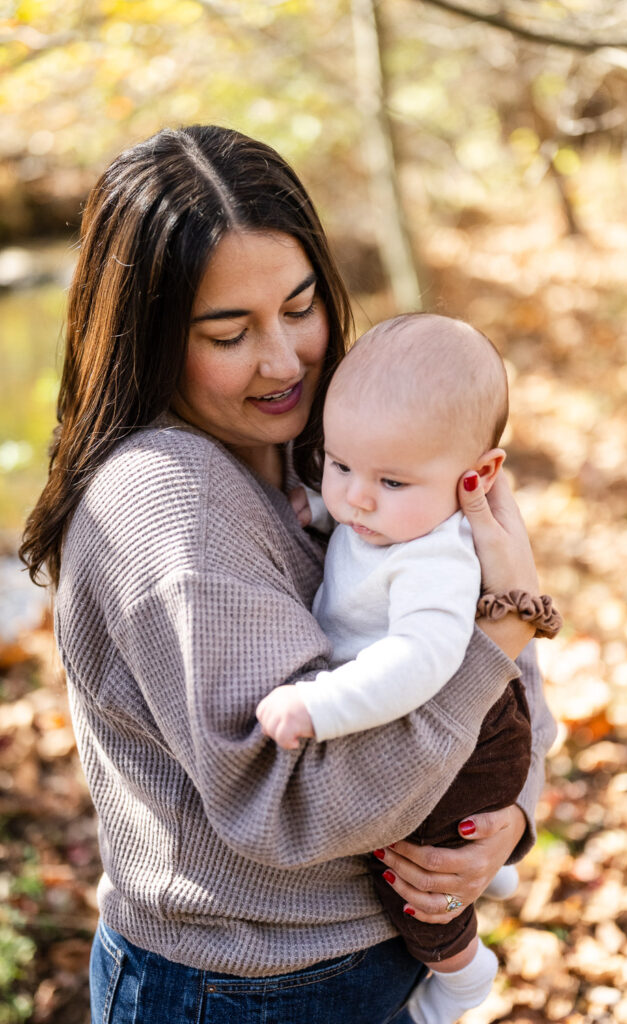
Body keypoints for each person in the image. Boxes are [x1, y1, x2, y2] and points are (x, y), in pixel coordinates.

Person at [20, 125, 557, 1024]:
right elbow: (291, 801)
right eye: (229, 333)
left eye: (300, 307)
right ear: (147, 338)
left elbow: (502, 690)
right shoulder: (167, 505)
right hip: (243, 984)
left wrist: (503, 817)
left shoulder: (343, 444)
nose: (284, 360)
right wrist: (500, 628)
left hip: (380, 953)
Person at [256, 313, 561, 1024]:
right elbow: (358, 524)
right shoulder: (391, 513)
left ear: (475, 478)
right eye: (338, 466)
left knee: (416, 881)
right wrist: (315, 506)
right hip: (452, 721)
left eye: (389, 479)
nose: (357, 498)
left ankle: (462, 971)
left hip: (467, 734)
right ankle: (501, 867)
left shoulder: (435, 557)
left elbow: (418, 663)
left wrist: (319, 705)